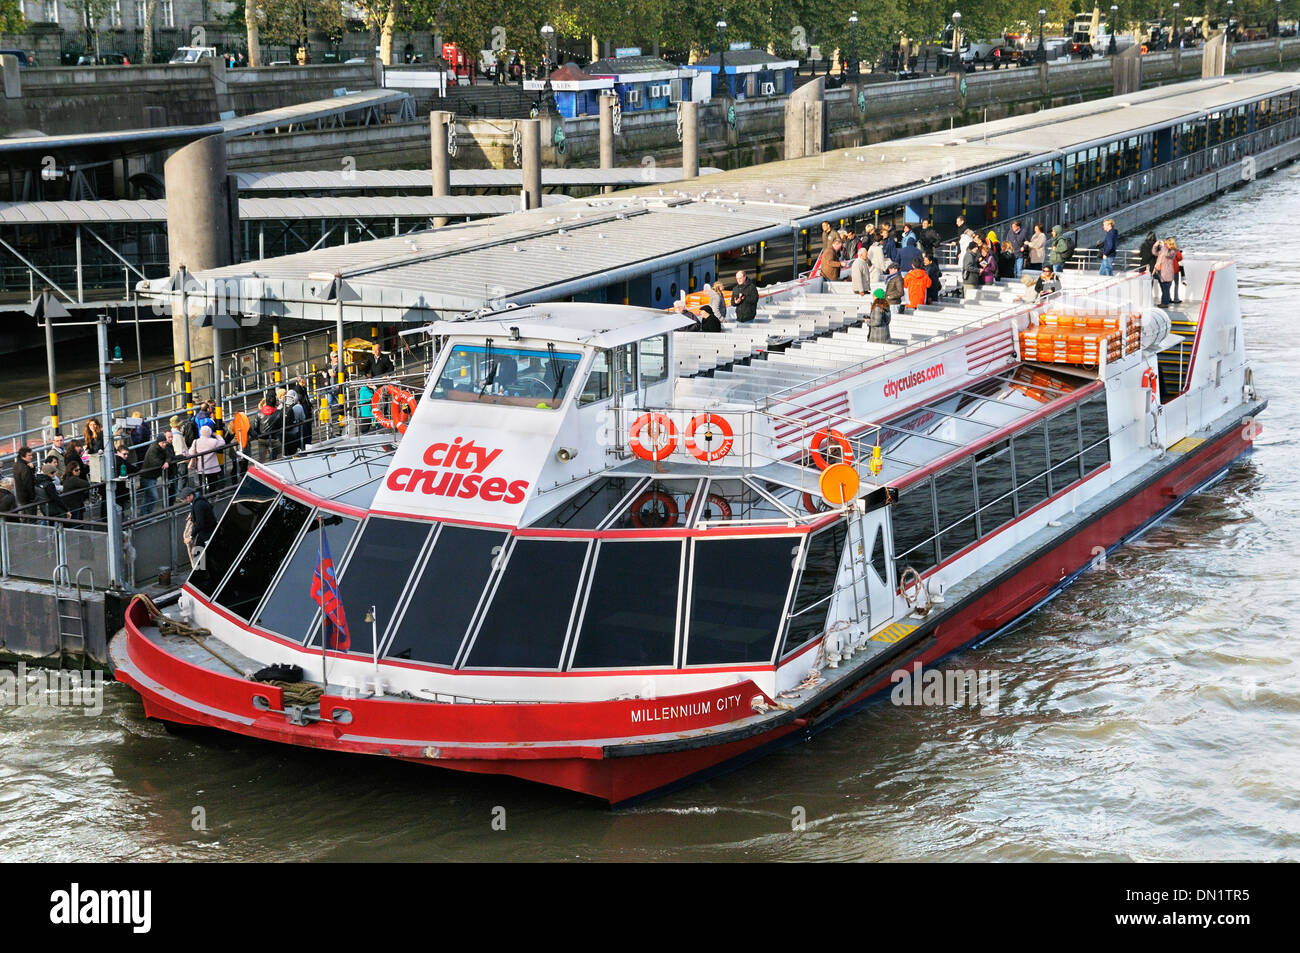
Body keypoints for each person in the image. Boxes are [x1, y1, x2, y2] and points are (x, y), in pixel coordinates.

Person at [180, 487, 217, 567]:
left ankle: (202, 572)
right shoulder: (199, 500)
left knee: (209, 556)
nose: (185, 501)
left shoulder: (198, 505)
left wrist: (190, 536)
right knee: (199, 553)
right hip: (206, 532)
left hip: (207, 533)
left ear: (190, 496)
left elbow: (200, 524)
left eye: (185, 498)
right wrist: (193, 515)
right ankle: (201, 572)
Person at [186, 425, 226, 494]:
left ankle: (204, 496)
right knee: (212, 484)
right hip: (212, 467)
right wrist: (217, 435)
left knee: (202, 484)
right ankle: (212, 496)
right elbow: (223, 442)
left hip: (201, 467)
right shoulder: (214, 441)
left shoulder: (196, 441)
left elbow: (191, 452)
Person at [139, 434, 172, 515]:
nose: (164, 444)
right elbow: (155, 462)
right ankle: (146, 514)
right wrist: (164, 463)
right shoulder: (153, 449)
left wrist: (167, 462)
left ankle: (145, 514)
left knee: (148, 497)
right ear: (158, 442)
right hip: (147, 477)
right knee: (153, 496)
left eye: (165, 442)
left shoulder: (162, 448)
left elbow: (169, 456)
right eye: (162, 443)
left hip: (152, 477)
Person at [12, 446, 35, 515]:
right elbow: (28, 483)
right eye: (29, 455)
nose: (31, 457)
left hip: (21, 497)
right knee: (31, 519)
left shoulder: (16, 464)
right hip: (28, 498)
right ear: (23, 456)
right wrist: (32, 498)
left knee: (25, 518)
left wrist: (32, 468)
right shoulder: (25, 467)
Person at [1154, 239, 1177, 305]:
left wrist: (1163, 247)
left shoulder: (1172, 251)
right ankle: (1165, 302)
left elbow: (1167, 254)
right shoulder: (1165, 250)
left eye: (1166, 243)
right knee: (1165, 289)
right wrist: (1155, 246)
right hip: (1162, 272)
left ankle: (1164, 304)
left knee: (1166, 289)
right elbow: (1155, 253)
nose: (1165, 245)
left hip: (1167, 273)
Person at [1165, 237, 1184, 302]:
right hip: (1174, 269)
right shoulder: (1175, 249)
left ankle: (1168, 298)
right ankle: (1176, 299)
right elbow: (1180, 258)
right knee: (1176, 284)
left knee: (1168, 285)